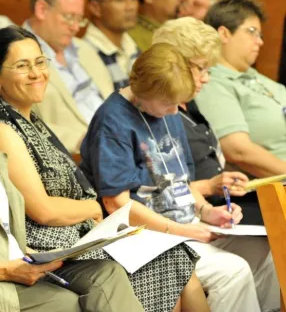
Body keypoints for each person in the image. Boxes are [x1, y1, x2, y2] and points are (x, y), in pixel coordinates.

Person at [0, 25, 210, 312]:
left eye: (40, 62)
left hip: (82, 236)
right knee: (171, 260)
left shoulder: (31, 120)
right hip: (50, 247)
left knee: (176, 259)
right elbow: (43, 210)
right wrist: (93, 210)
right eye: (22, 66)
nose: (36, 73)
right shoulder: (3, 129)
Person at [0, 43, 145, 312]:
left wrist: (29, 259)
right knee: (63, 303)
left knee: (107, 273)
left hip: (18, 264)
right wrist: (6, 270)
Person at [80, 42, 280, 312]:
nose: (175, 112)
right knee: (232, 271)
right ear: (142, 91)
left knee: (268, 254)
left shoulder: (168, 108)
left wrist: (207, 211)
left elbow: (180, 182)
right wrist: (184, 230)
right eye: (168, 104)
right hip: (143, 235)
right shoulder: (112, 121)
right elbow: (117, 205)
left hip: (183, 225)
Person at [152, 17, 249, 204]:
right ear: (175, 63)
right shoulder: (156, 113)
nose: (206, 79)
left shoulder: (189, 104)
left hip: (219, 205)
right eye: (201, 68)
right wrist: (209, 187)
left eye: (208, 70)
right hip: (193, 213)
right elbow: (155, 192)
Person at [195, 0, 286, 178]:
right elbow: (238, 150)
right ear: (224, 34)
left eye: (260, 34)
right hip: (266, 193)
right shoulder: (211, 82)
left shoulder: (260, 79)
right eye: (252, 31)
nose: (260, 41)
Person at [24, 0, 114, 153]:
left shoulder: (84, 48)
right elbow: (18, 122)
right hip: (74, 155)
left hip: (116, 144)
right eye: (69, 17)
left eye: (79, 19)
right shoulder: (13, 55)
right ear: (42, 9)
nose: (75, 28)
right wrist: (85, 142)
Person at [85, 0, 140, 90]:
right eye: (120, 0)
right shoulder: (85, 54)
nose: (131, 7)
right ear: (96, 8)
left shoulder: (133, 46)